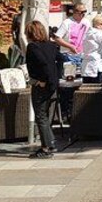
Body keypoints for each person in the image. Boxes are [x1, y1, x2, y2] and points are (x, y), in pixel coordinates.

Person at [25, 20, 61, 159]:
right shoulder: (51, 45)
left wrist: (43, 80)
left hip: (42, 84)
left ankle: (46, 147)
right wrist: (57, 76)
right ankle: (50, 142)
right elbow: (61, 58)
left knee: (40, 115)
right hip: (53, 84)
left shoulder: (33, 47)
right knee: (45, 115)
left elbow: (42, 63)